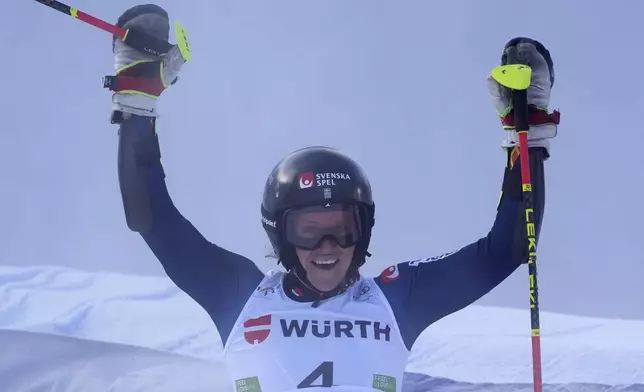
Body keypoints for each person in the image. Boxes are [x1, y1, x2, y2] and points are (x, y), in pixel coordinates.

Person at [107, 4, 560, 392]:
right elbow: (152, 219)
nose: (328, 247)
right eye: (309, 231)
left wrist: (527, 137)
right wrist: (136, 103)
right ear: (280, 234)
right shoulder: (240, 292)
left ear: (363, 231)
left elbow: (509, 248)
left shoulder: (399, 298)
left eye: (342, 230)